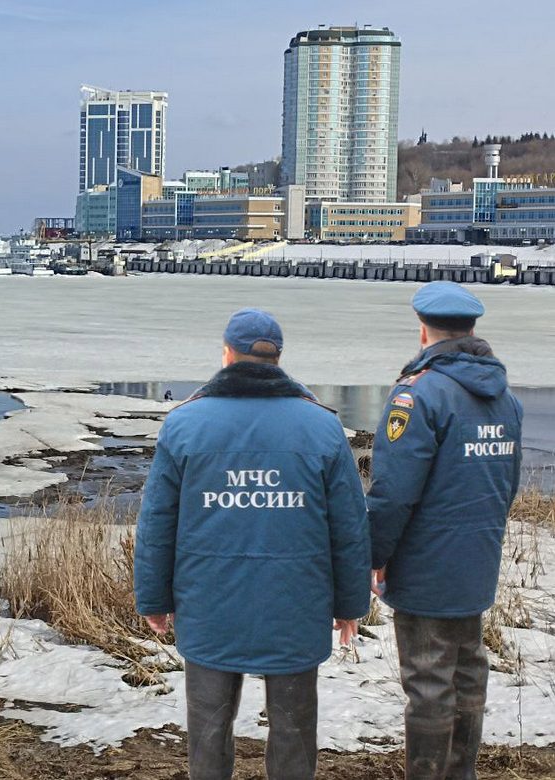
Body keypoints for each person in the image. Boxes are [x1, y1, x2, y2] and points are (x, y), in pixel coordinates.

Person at [135, 308, 371, 780]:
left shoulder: (185, 423)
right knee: (294, 726)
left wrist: (153, 597)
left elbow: (158, 521)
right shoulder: (322, 425)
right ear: (279, 359)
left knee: (208, 724)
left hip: (209, 602)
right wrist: (350, 603)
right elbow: (349, 525)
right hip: (296, 603)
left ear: (227, 354)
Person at [368, 281, 523, 780]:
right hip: (477, 554)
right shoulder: (506, 400)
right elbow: (507, 483)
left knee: (430, 677)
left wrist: (373, 552)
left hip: (426, 562)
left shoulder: (419, 395)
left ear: (424, 331)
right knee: (467, 671)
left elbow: (394, 492)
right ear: (471, 330)